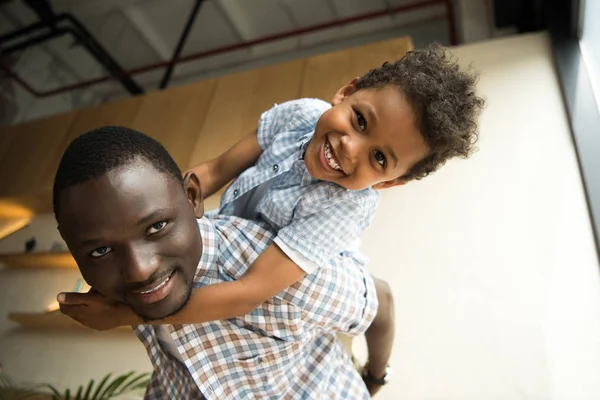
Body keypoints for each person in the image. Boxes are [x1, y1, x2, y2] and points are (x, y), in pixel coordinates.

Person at [58, 43, 484, 395]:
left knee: (320, 307)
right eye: (359, 120)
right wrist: (164, 207)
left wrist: (124, 314)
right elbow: (216, 169)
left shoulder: (346, 207)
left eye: (378, 158)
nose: (351, 148)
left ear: (389, 183)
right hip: (236, 236)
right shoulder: (299, 114)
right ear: (346, 92)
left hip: (294, 263)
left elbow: (249, 291)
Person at [54, 126, 384, 399]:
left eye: (156, 227)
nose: (139, 270)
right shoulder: (135, 290)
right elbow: (178, 377)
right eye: (100, 252)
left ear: (193, 196)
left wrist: (375, 379)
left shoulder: (279, 267)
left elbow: (382, 302)